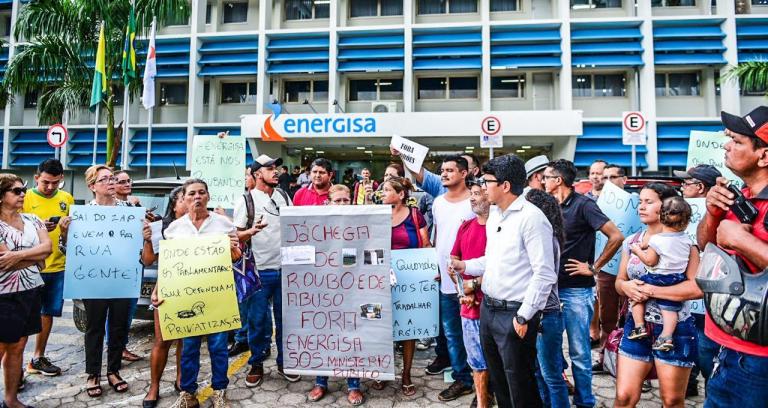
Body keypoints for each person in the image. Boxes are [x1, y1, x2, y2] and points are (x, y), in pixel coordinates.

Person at [452, 154, 557, 407]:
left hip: (515, 313)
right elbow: (492, 259)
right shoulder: (496, 215)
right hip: (488, 309)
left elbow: (544, 273)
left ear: (505, 186)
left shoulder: (532, 219)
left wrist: (524, 316)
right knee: (500, 382)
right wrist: (465, 265)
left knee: (520, 384)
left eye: (487, 181)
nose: (482, 187)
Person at [58, 165, 154, 398]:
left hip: (122, 279)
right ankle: (93, 373)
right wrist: (63, 234)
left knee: (120, 327)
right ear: (92, 186)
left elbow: (142, 250)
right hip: (95, 282)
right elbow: (67, 251)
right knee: (94, 328)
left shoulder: (130, 210)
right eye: (104, 179)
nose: (111, 182)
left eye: (113, 178)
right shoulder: (82, 214)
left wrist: (146, 234)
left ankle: (113, 371)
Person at [696, 107, 768, 407]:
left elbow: (736, 241)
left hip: (759, 361)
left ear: (764, 156)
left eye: (738, 141)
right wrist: (712, 214)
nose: (727, 146)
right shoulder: (740, 195)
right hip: (723, 344)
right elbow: (705, 246)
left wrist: (742, 240)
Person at [394, 153, 476, 400]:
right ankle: (463, 379)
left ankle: (485, 381)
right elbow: (437, 237)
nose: (444, 173)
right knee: (451, 334)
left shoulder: (475, 201)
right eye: (442, 170)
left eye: (450, 170)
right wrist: (435, 265)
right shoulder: (438, 202)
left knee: (473, 333)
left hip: (472, 279)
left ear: (465, 173)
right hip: (444, 280)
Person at [543, 159, 623, 408]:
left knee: (579, 353)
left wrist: (593, 267)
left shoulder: (584, 205)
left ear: (558, 180)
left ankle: (585, 402)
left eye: (547, 177)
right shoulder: (547, 207)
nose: (543, 181)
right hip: (549, 292)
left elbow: (616, 235)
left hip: (576, 291)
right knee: (552, 352)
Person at [614, 182, 702, 408]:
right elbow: (619, 281)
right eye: (640, 202)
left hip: (676, 330)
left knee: (672, 400)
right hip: (637, 326)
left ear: (667, 207)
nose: (641, 207)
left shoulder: (686, 245)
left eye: (648, 202)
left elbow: (696, 288)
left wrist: (653, 290)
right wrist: (626, 288)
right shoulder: (631, 242)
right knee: (624, 397)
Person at [163, 178, 242, 408]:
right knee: (189, 349)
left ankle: (219, 390)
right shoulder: (174, 230)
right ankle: (188, 393)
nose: (197, 197)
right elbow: (167, 267)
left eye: (201, 193)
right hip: (186, 298)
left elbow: (237, 257)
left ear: (208, 196)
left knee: (218, 348)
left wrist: (233, 249)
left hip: (217, 297)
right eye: (192, 194)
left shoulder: (224, 225)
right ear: (184, 199)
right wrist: (160, 289)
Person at [233, 155, 298, 388]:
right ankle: (257, 363)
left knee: (286, 321)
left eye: (276, 167)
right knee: (258, 322)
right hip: (258, 271)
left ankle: (285, 362)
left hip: (285, 270)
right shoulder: (247, 200)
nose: (276, 171)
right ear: (257, 174)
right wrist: (252, 231)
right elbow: (235, 236)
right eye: (270, 168)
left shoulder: (283, 196)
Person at [372, 177, 430, 397]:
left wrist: (429, 269)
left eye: (387, 190)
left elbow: (425, 245)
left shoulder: (415, 215)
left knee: (409, 329)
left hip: (410, 280)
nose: (383, 194)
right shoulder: (378, 214)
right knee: (381, 327)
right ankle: (383, 372)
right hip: (379, 279)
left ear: (401, 194)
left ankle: (406, 374)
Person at [307, 183, 364, 405]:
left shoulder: (360, 225)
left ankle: (354, 385)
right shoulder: (318, 225)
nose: (341, 204)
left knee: (350, 335)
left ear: (351, 201)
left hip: (351, 288)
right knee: (324, 335)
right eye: (337, 200)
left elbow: (363, 253)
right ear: (328, 202)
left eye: (345, 200)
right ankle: (320, 382)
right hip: (323, 288)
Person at [0, 173, 52, 408]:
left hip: (30, 290)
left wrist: (18, 256)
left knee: (19, 346)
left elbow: (47, 248)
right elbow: (3, 261)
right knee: (1, 346)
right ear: (1, 196)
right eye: (16, 191)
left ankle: (11, 399)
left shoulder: (33, 219)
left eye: (24, 190)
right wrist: (35, 258)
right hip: (4, 293)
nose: (23, 194)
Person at [673, 163, 721, 396]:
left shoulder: (718, 213)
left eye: (686, 183)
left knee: (705, 351)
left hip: (706, 297)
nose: (682, 187)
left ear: (700, 187)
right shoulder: (681, 210)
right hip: (685, 294)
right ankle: (689, 385)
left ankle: (712, 391)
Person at [22, 159, 72, 377]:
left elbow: (72, 235)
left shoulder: (67, 199)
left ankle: (37, 357)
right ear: (36, 178)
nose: (50, 187)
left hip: (57, 267)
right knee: (22, 317)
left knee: (47, 314)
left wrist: (63, 231)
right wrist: (37, 225)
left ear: (61, 179)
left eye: (55, 183)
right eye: (45, 183)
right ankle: (14, 367)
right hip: (28, 267)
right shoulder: (25, 198)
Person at [627, 196, 693, 352]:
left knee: (636, 296)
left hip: (657, 278)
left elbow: (650, 261)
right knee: (670, 309)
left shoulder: (656, 240)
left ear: (661, 218)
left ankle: (639, 327)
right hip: (677, 279)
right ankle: (666, 337)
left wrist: (637, 250)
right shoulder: (687, 240)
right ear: (687, 221)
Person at [524, 188, 570, 408]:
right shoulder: (545, 235)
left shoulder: (545, 238)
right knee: (539, 373)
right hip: (540, 313)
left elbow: (542, 277)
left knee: (551, 375)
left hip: (546, 314)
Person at [449, 178, 491, 408]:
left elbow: (505, 266)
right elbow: (454, 260)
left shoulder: (501, 227)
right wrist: (461, 289)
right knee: (476, 359)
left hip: (496, 303)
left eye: (478, 193)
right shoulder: (465, 226)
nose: (473, 197)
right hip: (469, 305)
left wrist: (474, 286)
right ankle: (482, 398)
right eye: (471, 193)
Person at [142, 186, 186, 408]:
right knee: (162, 340)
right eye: (186, 197)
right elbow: (149, 260)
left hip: (195, 288)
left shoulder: (202, 226)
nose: (192, 201)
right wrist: (148, 240)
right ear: (176, 203)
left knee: (185, 341)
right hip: (168, 289)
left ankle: (181, 379)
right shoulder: (162, 227)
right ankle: (154, 386)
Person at [592, 163, 632, 373]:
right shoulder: (598, 204)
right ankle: (605, 357)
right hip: (607, 269)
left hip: (631, 271)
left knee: (631, 317)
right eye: (604, 177)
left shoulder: (636, 203)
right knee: (607, 317)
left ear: (623, 180)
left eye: (612, 177)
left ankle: (635, 366)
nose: (606, 181)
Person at [111, 169, 143, 363]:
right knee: (113, 312)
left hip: (134, 263)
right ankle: (115, 348)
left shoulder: (135, 204)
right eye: (121, 181)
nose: (127, 184)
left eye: (128, 181)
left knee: (128, 309)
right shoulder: (110, 207)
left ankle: (121, 346)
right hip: (114, 266)